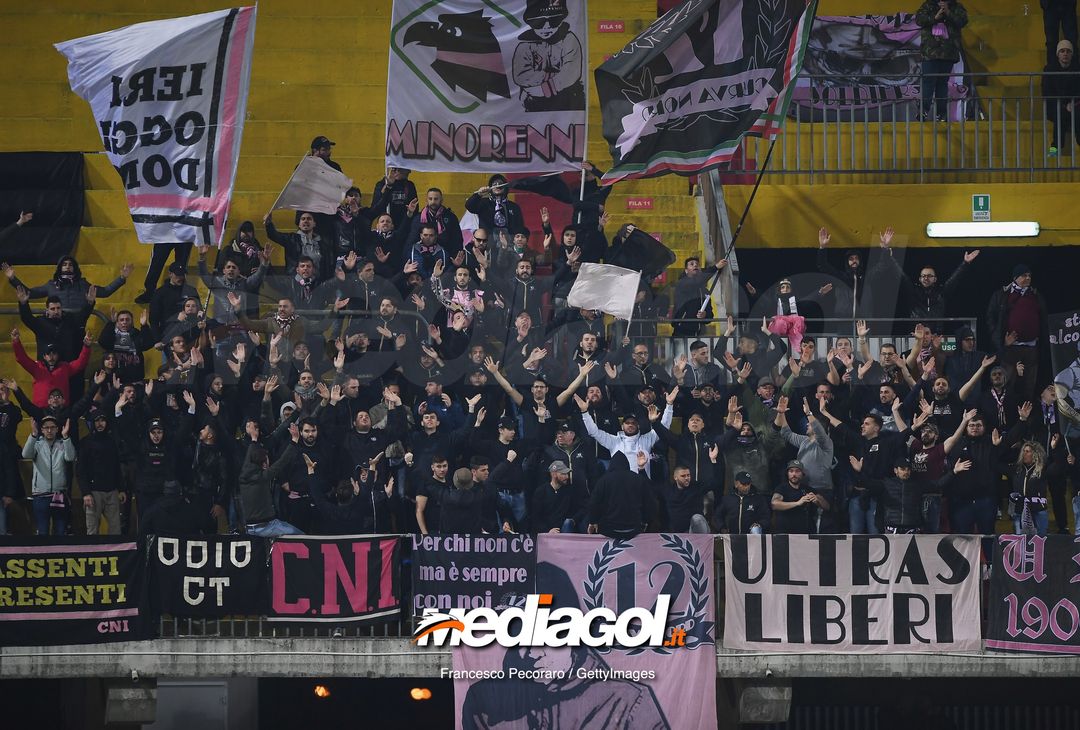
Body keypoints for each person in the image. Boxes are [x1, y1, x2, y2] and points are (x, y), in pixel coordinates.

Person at [986, 264, 1048, 402]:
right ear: (1015, 278)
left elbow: (1044, 318)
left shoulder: (1035, 295)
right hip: (1010, 348)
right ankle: (1006, 413)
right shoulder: (1002, 295)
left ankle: (1027, 416)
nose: (1027, 278)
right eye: (1024, 275)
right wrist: (1002, 340)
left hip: (1031, 348)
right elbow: (990, 318)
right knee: (1008, 382)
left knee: (1029, 385)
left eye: (1029, 276)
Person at [237, 424, 303, 537]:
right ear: (263, 464)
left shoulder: (243, 476)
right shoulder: (263, 477)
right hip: (266, 526)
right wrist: (294, 440)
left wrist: (254, 439)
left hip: (248, 527)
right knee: (301, 536)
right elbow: (282, 462)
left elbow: (250, 455)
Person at [3, 254, 132, 310]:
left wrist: (121, 278)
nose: (68, 266)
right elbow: (29, 293)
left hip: (78, 325)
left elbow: (105, 292)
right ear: (60, 268)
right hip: (56, 325)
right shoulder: (51, 285)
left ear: (75, 268)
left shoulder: (83, 284)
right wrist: (13, 279)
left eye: (70, 264)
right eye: (64, 264)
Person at [21, 416, 76, 536]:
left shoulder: (63, 444)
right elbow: (25, 454)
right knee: (43, 532)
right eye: (46, 428)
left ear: (57, 429)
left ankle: (60, 554)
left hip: (59, 494)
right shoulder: (37, 444)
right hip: (41, 495)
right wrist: (33, 435)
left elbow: (71, 457)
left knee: (61, 532)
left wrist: (66, 437)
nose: (49, 430)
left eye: (52, 427)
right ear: (42, 429)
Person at [915, 0, 968, 121]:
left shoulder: (956, 6)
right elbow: (919, 20)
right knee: (928, 81)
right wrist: (934, 17)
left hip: (948, 53)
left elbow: (963, 21)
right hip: (930, 52)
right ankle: (923, 111)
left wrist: (948, 12)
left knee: (942, 83)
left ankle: (942, 114)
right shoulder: (928, 5)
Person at [77, 411, 125, 535]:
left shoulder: (111, 441)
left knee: (116, 530)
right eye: (97, 421)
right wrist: (86, 493)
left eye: (102, 420)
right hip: (93, 493)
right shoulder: (85, 443)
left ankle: (116, 554)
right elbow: (81, 470)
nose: (100, 424)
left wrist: (121, 489)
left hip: (112, 491)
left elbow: (116, 467)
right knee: (92, 531)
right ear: (92, 423)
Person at [587, 451, 656, 538]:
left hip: (609, 529)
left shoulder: (604, 480)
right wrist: (645, 521)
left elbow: (594, 503)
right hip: (633, 529)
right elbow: (650, 502)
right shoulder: (638, 479)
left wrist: (593, 521)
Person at [1043, 39, 1080, 155]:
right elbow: (1047, 93)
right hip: (1056, 106)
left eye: (1068, 51)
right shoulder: (1050, 70)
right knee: (1060, 114)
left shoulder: (1077, 69)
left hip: (1076, 105)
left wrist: (1073, 104)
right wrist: (1065, 105)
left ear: (1072, 54)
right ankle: (1055, 149)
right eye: (1062, 51)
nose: (1065, 54)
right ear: (1058, 54)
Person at [531, 460, 587, 534]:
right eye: (563, 474)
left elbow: (582, 508)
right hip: (546, 533)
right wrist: (548, 530)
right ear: (554, 474)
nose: (567, 477)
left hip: (566, 530)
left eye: (567, 474)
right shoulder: (541, 492)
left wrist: (573, 520)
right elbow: (536, 517)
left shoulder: (570, 491)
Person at [1042, 1, 1079, 67]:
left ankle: (1074, 70)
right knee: (1051, 42)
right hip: (1050, 5)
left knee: (1072, 40)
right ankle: (1052, 70)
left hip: (1067, 4)